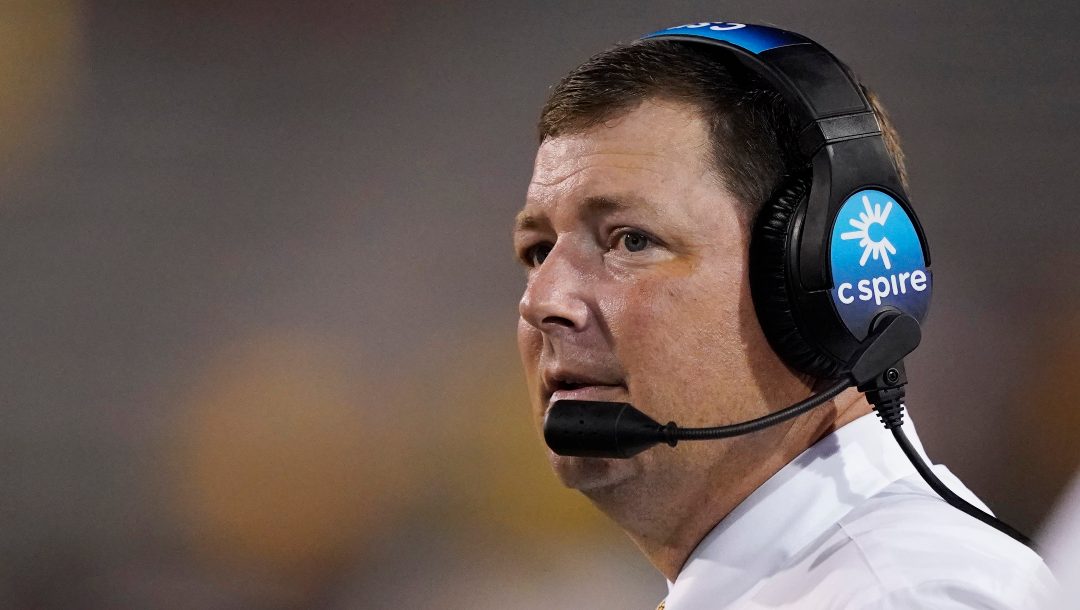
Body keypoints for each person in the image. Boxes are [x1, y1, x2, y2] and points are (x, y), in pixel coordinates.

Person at [512, 23, 1058, 609]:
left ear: (821, 279)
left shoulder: (906, 595)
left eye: (632, 241)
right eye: (538, 251)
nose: (542, 302)